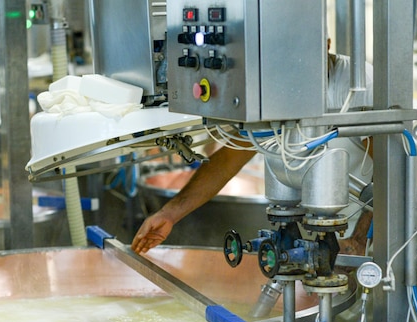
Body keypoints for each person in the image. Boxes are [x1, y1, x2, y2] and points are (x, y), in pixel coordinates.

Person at [132, 38, 374, 255]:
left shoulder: (358, 84)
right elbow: (227, 161)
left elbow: (391, 173)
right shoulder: (270, 86)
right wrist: (169, 214)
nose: (292, 72)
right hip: (302, 233)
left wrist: (360, 238)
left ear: (327, 44)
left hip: (361, 234)